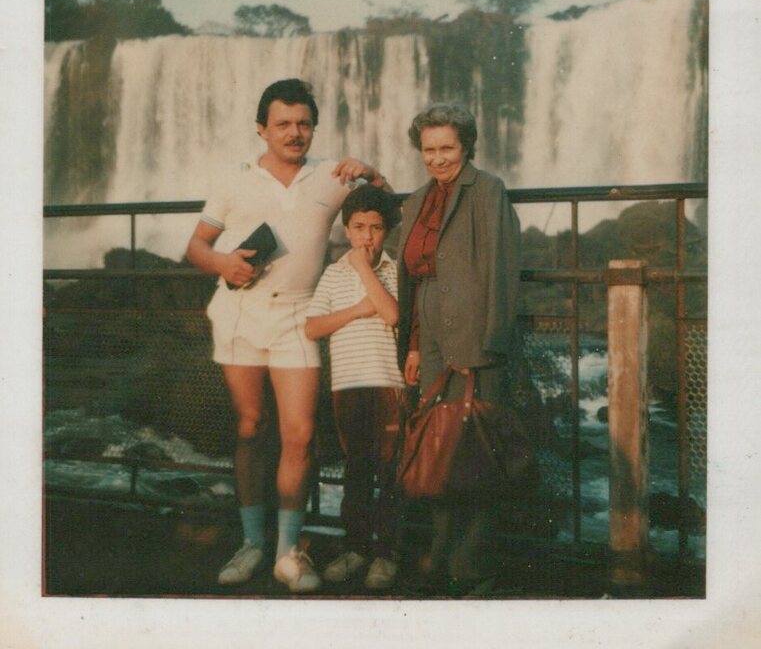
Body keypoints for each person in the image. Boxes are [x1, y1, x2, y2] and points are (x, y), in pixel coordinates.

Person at [185, 78, 389, 593]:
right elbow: (197, 247)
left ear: (313, 127)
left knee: (299, 434)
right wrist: (224, 263)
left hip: (299, 315)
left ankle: (287, 552)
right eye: (283, 124)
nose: (294, 133)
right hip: (239, 313)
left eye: (303, 124)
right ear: (262, 129)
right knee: (251, 427)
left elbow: (387, 210)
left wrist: (371, 172)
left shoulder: (332, 176)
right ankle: (252, 542)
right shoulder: (234, 179)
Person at [396, 102, 522, 588]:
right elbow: (415, 281)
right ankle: (442, 555)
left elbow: (501, 270)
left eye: (447, 148)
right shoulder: (416, 201)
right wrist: (412, 346)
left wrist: (489, 345)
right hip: (430, 340)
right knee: (439, 447)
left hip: (474, 338)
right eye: (428, 149)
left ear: (466, 146)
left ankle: (471, 567)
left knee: (478, 451)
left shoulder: (487, 190)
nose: (437, 158)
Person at [304, 185, 405, 590]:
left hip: (388, 384)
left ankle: (386, 554)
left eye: (376, 228)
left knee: (391, 470)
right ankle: (356, 548)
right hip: (348, 384)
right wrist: (359, 309)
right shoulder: (333, 274)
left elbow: (393, 315)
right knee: (357, 468)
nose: (367, 237)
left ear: (386, 232)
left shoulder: (393, 270)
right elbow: (313, 326)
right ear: (346, 230)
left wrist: (365, 271)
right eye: (359, 227)